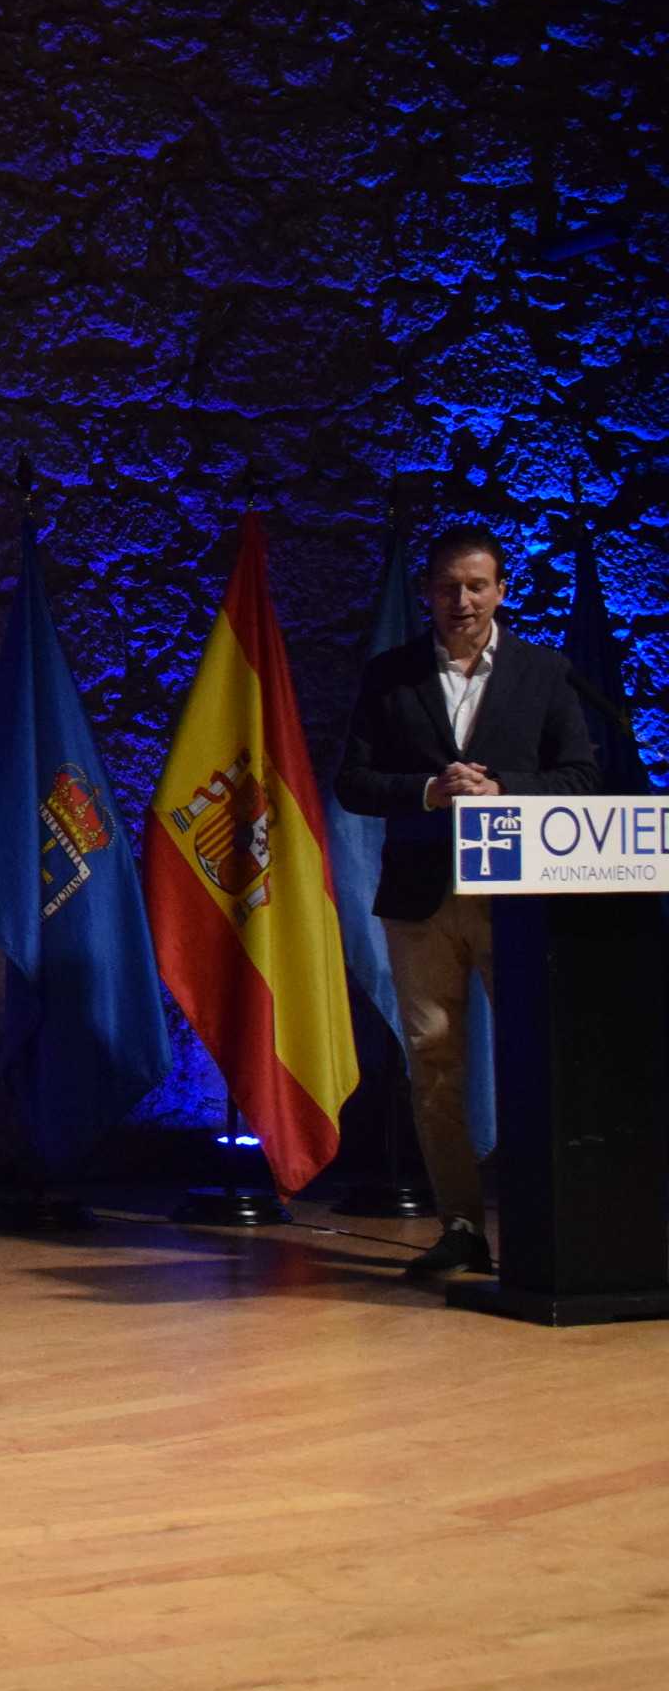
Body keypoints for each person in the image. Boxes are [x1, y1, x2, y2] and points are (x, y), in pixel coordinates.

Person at [334, 523, 598, 1277]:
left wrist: (502, 789)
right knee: (434, 1063)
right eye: (448, 586)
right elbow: (352, 784)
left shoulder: (544, 673)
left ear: (501, 590)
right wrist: (428, 790)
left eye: (477, 585)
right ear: (427, 593)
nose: (462, 600)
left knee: (531, 1061)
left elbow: (582, 776)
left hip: (517, 901)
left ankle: (540, 1224)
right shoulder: (391, 675)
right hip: (420, 899)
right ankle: (460, 1225)